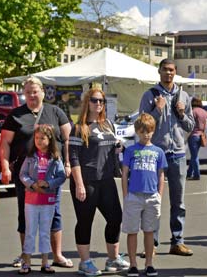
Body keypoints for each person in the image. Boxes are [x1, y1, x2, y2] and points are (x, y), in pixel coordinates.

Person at [0, 76, 72, 269]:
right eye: (28, 91)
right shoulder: (15, 114)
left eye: (35, 91)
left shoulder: (55, 112)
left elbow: (67, 139)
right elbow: (5, 142)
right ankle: (26, 256)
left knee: (54, 213)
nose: (32, 95)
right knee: (26, 215)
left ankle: (56, 255)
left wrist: (67, 163)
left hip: (51, 174)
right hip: (26, 174)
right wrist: (5, 167)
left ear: (42, 92)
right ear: (24, 93)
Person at [138, 58, 195, 256]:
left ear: (175, 72)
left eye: (171, 70)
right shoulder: (150, 95)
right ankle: (151, 242)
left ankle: (177, 241)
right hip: (155, 153)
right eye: (165, 70)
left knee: (178, 201)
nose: (168, 73)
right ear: (159, 72)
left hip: (178, 153)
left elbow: (190, 126)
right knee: (153, 199)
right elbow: (142, 124)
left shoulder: (184, 96)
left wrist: (180, 113)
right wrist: (157, 109)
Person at [69, 88, 128, 276]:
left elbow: (111, 148)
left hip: (106, 180)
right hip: (86, 181)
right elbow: (74, 157)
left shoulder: (108, 124)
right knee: (85, 221)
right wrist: (79, 184)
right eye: (95, 100)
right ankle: (85, 262)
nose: (99, 104)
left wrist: (118, 147)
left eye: (101, 100)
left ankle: (113, 258)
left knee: (115, 217)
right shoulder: (79, 127)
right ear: (87, 102)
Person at [121, 113, 167, 277]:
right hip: (133, 196)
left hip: (152, 196)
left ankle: (149, 263)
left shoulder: (158, 152)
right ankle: (133, 264)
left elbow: (161, 174)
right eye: (141, 131)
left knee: (149, 231)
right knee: (132, 231)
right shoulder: (131, 150)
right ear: (137, 132)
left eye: (148, 131)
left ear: (153, 131)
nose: (145, 134)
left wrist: (159, 196)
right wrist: (126, 195)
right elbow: (125, 173)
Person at [18, 124, 66, 275]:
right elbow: (22, 174)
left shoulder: (55, 158)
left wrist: (48, 184)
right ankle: (27, 262)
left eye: (42, 138)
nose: (39, 141)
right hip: (31, 201)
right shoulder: (31, 157)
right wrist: (32, 184)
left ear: (49, 139)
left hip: (48, 201)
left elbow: (61, 176)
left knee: (45, 231)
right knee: (30, 231)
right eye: (37, 138)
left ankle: (45, 262)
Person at [187, 96, 207, 181]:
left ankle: (196, 174)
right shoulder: (204, 112)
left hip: (193, 135)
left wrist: (186, 136)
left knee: (194, 156)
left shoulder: (193, 111)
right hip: (201, 135)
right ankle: (189, 173)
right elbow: (205, 124)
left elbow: (190, 125)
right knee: (194, 155)